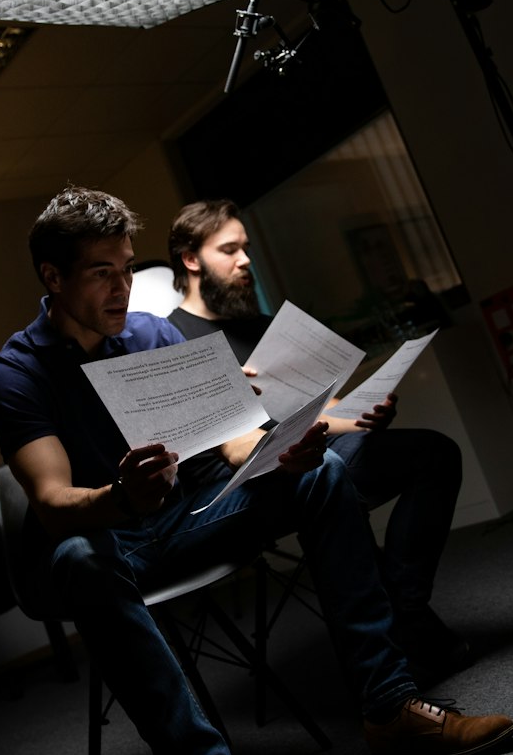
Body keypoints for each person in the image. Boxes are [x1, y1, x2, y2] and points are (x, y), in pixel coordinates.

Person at [0, 186, 513, 755]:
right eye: (99, 273)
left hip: (189, 514)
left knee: (322, 474)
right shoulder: (15, 371)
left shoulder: (151, 336)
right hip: (112, 537)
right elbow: (49, 501)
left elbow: (233, 442)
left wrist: (297, 443)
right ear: (53, 278)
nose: (120, 287)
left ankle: (389, 709)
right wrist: (118, 497)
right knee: (77, 562)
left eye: (124, 267)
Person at [167, 198, 469, 685]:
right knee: (328, 482)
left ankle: (404, 607)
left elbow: (319, 410)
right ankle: (403, 626)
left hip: (310, 451)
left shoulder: (261, 326)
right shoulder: (171, 339)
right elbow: (230, 449)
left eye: (246, 248)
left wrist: (363, 414)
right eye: (230, 250)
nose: (246, 260)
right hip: (242, 485)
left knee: (435, 453)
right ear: (191, 259)